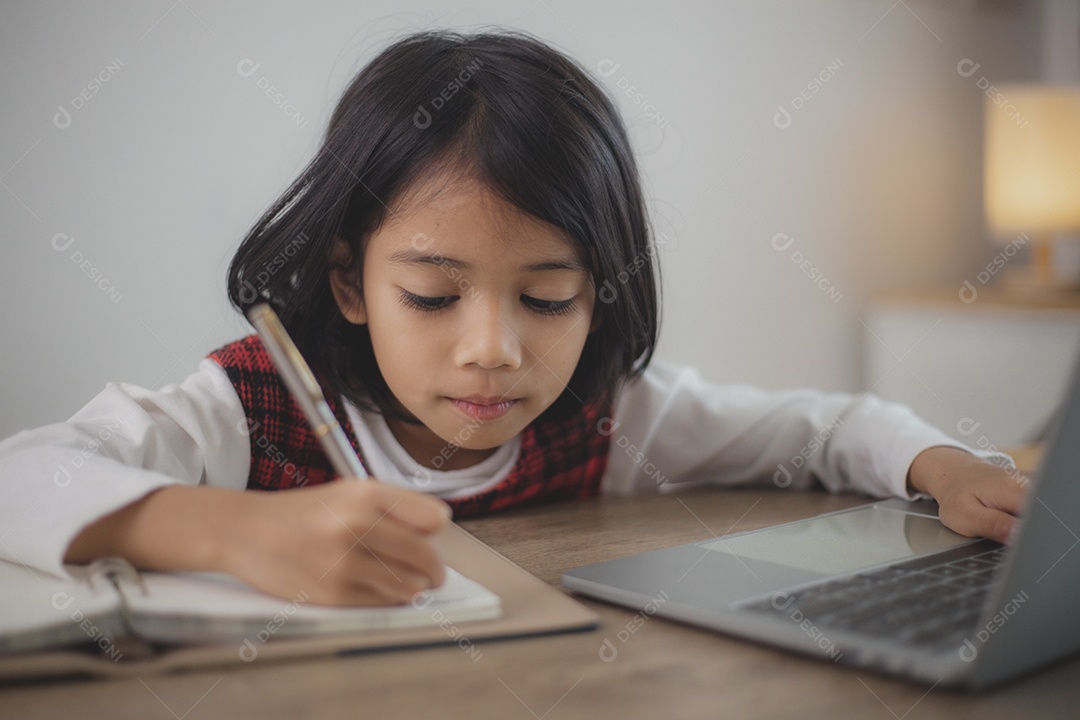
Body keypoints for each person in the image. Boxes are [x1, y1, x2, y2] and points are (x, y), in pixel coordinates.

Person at [0, 29, 1026, 608]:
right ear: (351, 283)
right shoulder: (246, 411)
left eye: (547, 297)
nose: (493, 348)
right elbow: (20, 478)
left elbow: (827, 429)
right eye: (433, 296)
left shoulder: (610, 414)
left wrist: (948, 469)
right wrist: (233, 530)